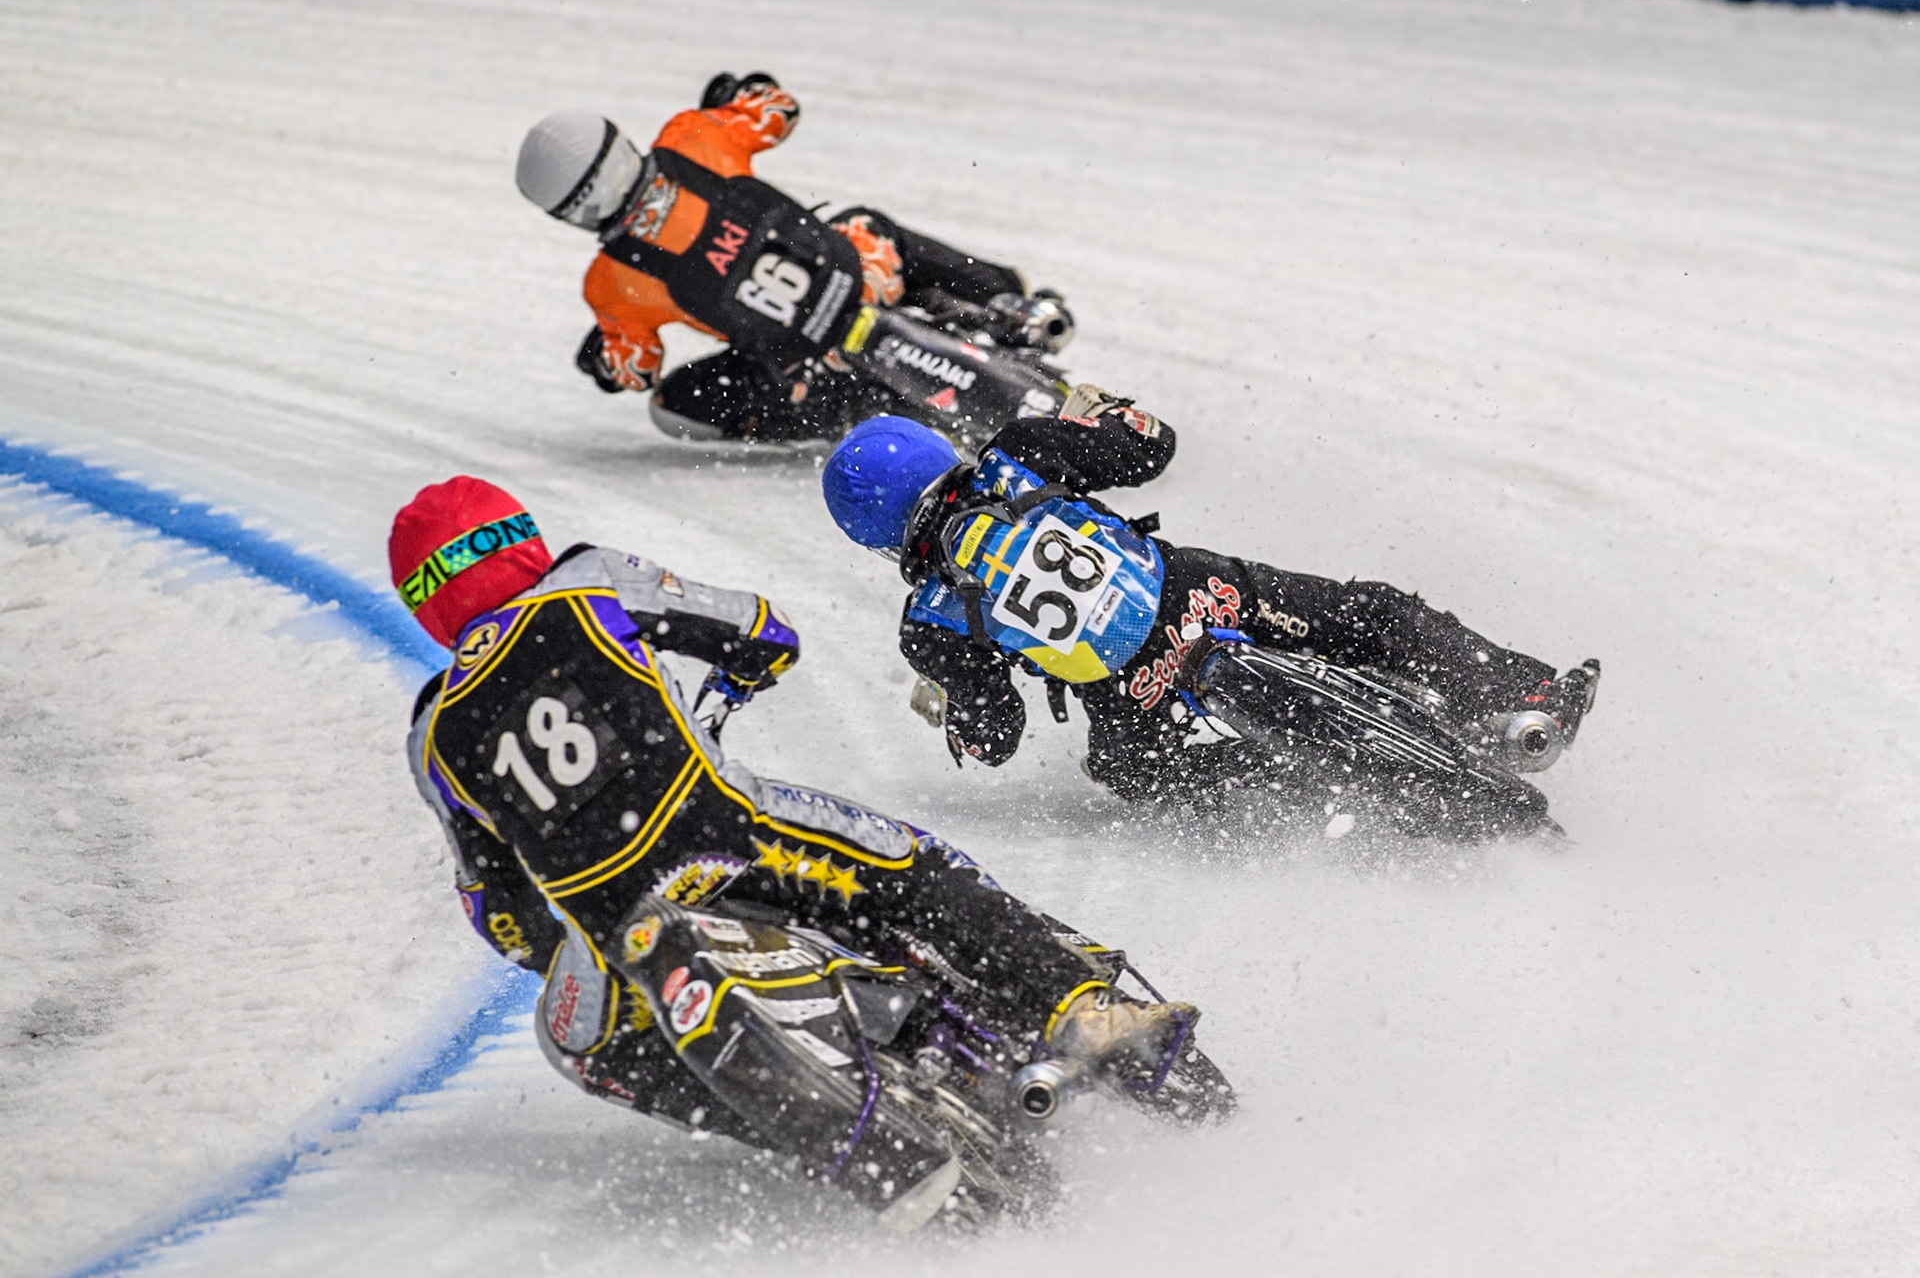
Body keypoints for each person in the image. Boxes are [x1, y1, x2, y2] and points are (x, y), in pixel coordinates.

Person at [393, 476, 1187, 1213]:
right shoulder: (584, 582)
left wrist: (554, 941)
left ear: (423, 605)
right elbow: (757, 627)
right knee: (912, 867)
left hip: (609, 925)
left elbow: (495, 910)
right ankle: (1075, 1005)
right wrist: (745, 669)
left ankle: (789, 1125)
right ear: (521, 538)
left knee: (575, 1045)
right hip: (723, 835)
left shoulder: (433, 730)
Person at [818, 393, 1602, 805]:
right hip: (1205, 594)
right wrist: (1106, 413)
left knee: (1132, 777)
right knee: (1372, 616)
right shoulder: (1017, 456)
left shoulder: (927, 621)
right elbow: (1152, 443)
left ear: (875, 534)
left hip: (1132, 695)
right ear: (934, 451)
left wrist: (960, 715)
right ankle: (1522, 694)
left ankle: (1329, 797)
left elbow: (998, 737)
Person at [515, 73, 1070, 442]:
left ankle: (867, 416)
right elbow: (777, 108)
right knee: (866, 225)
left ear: (569, 214)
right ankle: (1004, 296)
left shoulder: (612, 283)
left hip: (805, 368)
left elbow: (638, 371)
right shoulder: (693, 137)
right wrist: (740, 92)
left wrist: (605, 362)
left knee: (673, 405)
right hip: (863, 273)